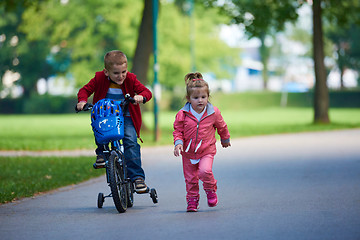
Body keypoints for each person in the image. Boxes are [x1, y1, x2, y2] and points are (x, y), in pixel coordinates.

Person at [76, 50, 152, 193]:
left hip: (126, 115)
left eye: (123, 72)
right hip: (106, 115)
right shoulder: (99, 79)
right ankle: (102, 153)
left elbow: (146, 92)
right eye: (116, 73)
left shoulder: (130, 79)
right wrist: (82, 101)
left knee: (130, 141)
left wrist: (141, 97)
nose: (121, 76)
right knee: (101, 130)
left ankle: (137, 178)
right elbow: (84, 90)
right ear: (106, 72)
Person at [173, 72, 231, 212]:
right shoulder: (182, 114)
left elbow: (221, 126)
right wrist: (178, 143)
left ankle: (210, 189)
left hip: (206, 150)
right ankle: (192, 201)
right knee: (191, 179)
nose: (200, 100)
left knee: (205, 171)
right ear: (188, 98)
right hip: (188, 153)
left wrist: (225, 138)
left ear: (208, 97)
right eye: (196, 97)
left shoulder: (213, 113)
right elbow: (178, 130)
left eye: (203, 97)